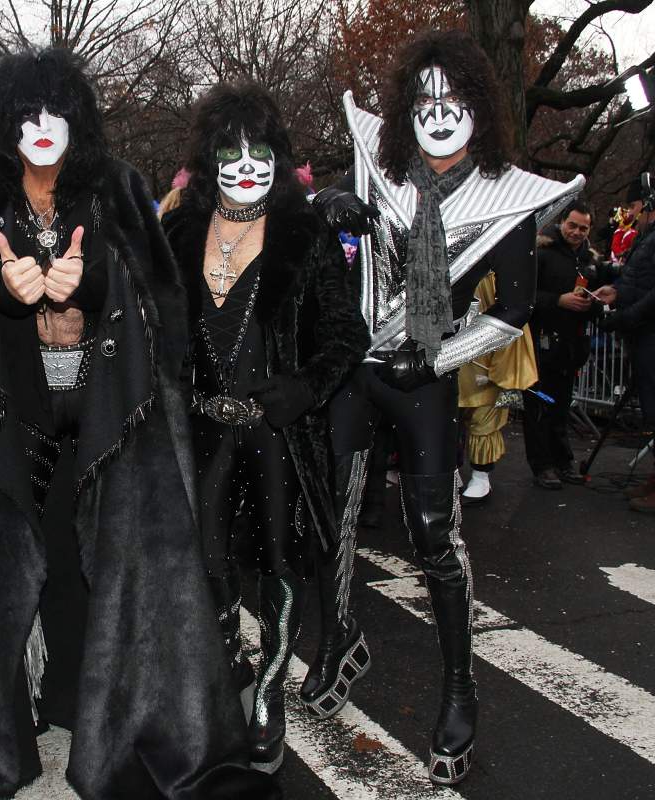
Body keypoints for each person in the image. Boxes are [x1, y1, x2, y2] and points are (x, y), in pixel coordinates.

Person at [0, 48, 278, 799]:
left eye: (56, 111)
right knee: (36, 553)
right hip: (15, 415)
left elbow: (162, 300)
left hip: (108, 410)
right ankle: (43, 710)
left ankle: (128, 722)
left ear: (77, 118)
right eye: (27, 114)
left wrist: (93, 284)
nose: (42, 128)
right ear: (6, 123)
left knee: (121, 564)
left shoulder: (117, 189)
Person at [306, 30, 583, 785]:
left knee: (434, 532)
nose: (436, 114)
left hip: (424, 378)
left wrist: (435, 355)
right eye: (423, 101)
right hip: (357, 369)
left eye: (452, 101)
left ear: (477, 111)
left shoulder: (504, 199)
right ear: (405, 109)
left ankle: (460, 687)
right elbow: (334, 256)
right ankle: (339, 635)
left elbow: (514, 311)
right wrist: (323, 206)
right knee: (333, 510)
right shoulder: (376, 168)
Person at [162, 82, 368, 774]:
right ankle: (228, 664)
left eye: (261, 151)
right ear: (209, 156)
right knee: (205, 558)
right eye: (231, 151)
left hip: (279, 435)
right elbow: (154, 328)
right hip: (204, 434)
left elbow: (347, 335)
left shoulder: (303, 234)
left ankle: (268, 693)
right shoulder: (179, 234)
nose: (247, 164)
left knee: (281, 562)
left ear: (278, 157)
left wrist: (302, 391)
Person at [596, 174, 655, 512]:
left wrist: (628, 315)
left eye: (635, 206)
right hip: (652, 336)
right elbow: (646, 281)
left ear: (649, 203)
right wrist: (618, 293)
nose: (633, 213)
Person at [524, 201, 598, 489]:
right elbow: (524, 297)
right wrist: (558, 300)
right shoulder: (541, 254)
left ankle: (562, 461)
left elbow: (594, 301)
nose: (577, 232)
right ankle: (542, 465)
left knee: (560, 407)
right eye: (573, 226)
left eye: (583, 228)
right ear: (562, 223)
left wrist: (591, 303)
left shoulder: (590, 261)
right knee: (540, 406)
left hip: (571, 348)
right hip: (541, 346)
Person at [457, 272, 539, 504]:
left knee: (485, 419)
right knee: (447, 420)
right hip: (454, 361)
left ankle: (481, 477)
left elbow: (511, 316)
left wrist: (501, 371)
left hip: (488, 362)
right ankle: (452, 474)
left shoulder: (497, 275)